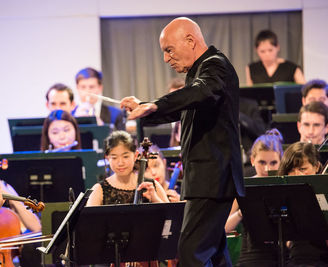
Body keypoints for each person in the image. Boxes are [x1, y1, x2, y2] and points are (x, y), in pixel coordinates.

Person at [121, 17, 245, 266]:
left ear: (190, 40)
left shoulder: (215, 66)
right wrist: (146, 107)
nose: (166, 59)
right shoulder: (198, 75)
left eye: (169, 50)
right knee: (215, 255)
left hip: (213, 180)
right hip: (206, 180)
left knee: (190, 254)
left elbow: (199, 92)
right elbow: (182, 106)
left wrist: (154, 104)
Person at [225, 129, 283, 267]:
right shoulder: (244, 187)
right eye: (262, 162)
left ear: (281, 161)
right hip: (251, 257)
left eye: (273, 163)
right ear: (252, 160)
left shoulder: (286, 186)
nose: (267, 169)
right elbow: (224, 227)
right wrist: (241, 212)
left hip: (282, 255)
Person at [277, 142, 328, 266]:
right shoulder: (283, 194)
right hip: (296, 258)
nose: (297, 175)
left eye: (302, 169)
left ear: (316, 167)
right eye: (291, 170)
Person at [87, 131, 169, 206]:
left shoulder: (152, 186)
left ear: (135, 155)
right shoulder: (99, 190)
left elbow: (171, 216)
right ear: (107, 158)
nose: (120, 163)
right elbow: (88, 220)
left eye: (125, 156)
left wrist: (155, 199)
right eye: (114, 158)